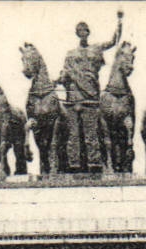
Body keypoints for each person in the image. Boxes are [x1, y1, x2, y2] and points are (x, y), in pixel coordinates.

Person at [56, 11, 124, 172]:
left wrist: (120, 23)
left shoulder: (97, 48)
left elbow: (114, 41)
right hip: (74, 98)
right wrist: (58, 79)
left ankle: (94, 165)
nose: (83, 34)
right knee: (73, 135)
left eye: (85, 31)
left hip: (91, 97)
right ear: (77, 34)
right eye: (80, 31)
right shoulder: (70, 54)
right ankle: (74, 165)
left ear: (88, 33)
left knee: (91, 134)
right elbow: (65, 73)